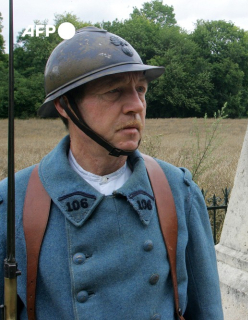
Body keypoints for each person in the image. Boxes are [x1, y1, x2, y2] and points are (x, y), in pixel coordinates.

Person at [0, 26, 224, 319]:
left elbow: (206, 311)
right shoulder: (13, 201)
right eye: (114, 91)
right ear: (65, 105)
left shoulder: (178, 191)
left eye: (140, 89)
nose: (136, 106)